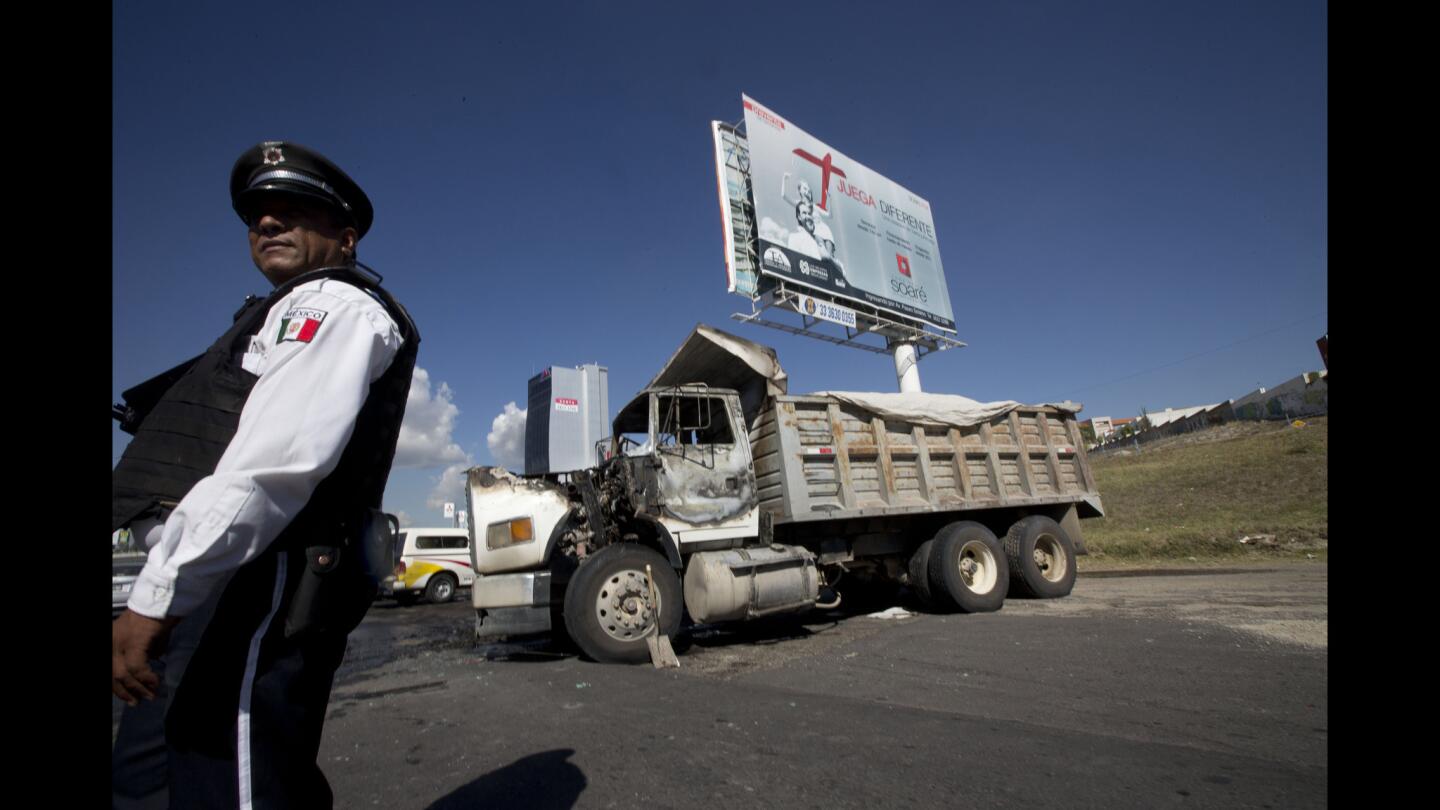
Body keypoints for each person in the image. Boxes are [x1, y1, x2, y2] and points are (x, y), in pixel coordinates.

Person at [111, 140, 420, 809]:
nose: (268, 224)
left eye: (294, 212)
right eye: (257, 215)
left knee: (238, 783)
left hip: (259, 575)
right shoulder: (277, 312)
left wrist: (157, 593)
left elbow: (271, 466)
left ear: (345, 238)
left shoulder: (333, 305)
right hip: (222, 574)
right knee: (160, 777)